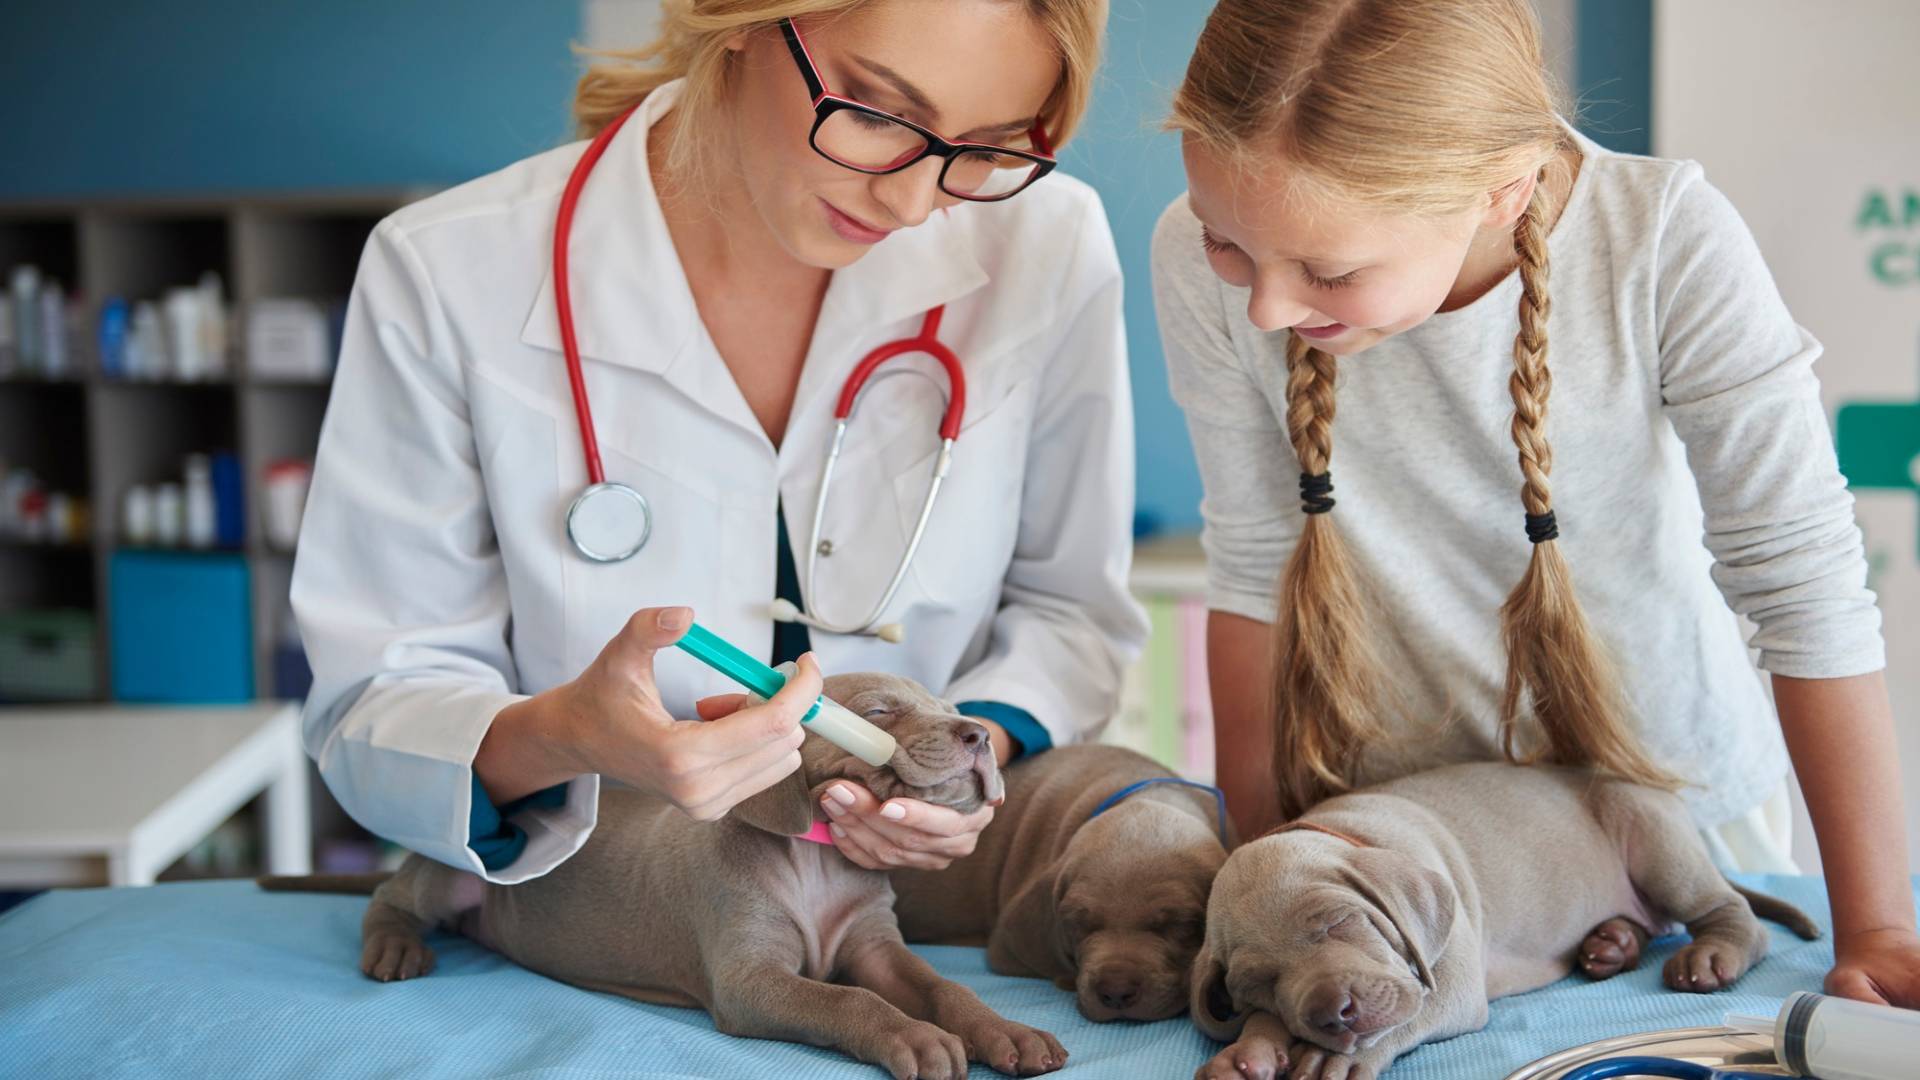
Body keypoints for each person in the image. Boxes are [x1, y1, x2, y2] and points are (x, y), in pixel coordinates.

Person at [1153, 0, 1915, 1005]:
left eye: (1330, 271)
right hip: (1411, 853)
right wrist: (1261, 866)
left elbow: (1803, 581)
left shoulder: (1662, 238)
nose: (1265, 308)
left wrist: (1877, 925)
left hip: (1678, 834)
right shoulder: (1201, 254)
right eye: (1227, 245)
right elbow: (1255, 565)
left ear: (1502, 194)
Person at [293, 0, 1145, 886]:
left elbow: (1071, 614)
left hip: (918, 909)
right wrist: (563, 735)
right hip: (604, 908)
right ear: (733, 17)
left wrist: (953, 762)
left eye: (983, 146)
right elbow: (375, 707)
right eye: (874, 112)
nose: (911, 198)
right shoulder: (447, 269)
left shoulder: (1043, 242)